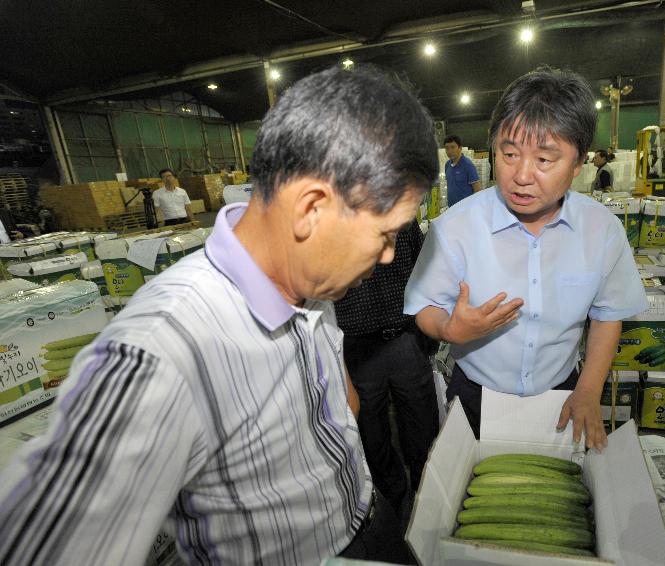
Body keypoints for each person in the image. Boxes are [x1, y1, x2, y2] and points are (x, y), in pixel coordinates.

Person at [0, 66, 438, 565]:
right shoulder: (162, 351)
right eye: (386, 234)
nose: (388, 256)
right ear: (312, 208)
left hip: (367, 519)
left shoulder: (310, 283)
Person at [405, 68, 648, 448]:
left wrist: (588, 390)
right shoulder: (454, 227)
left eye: (544, 160)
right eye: (509, 154)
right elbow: (426, 306)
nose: (521, 175)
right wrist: (449, 329)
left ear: (579, 163)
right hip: (475, 393)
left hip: (564, 393)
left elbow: (607, 314)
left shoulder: (602, 230)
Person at [334, 220, 439, 514]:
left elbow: (425, 271)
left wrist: (427, 335)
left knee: (422, 425)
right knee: (371, 432)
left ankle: (426, 493)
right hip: (358, 348)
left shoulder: (402, 221)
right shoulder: (334, 224)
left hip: (405, 339)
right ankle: (392, 499)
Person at [444, 134, 481, 207]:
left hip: (465, 209)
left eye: (452, 147)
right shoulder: (447, 165)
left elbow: (477, 190)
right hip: (451, 208)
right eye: (447, 148)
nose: (449, 151)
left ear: (460, 148)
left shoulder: (468, 165)